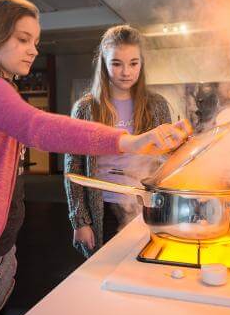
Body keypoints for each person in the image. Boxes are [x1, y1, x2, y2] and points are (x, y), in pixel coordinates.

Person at [0, 0, 191, 315]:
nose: (33, 50)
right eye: (23, 39)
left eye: (35, 42)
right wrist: (129, 141)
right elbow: (39, 128)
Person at [65, 25, 172, 257]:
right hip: (100, 207)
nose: (126, 72)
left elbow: (167, 163)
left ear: (141, 64)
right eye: (116, 63)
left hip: (144, 206)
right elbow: (73, 169)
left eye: (133, 63)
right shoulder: (85, 108)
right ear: (104, 63)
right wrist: (79, 221)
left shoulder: (157, 105)